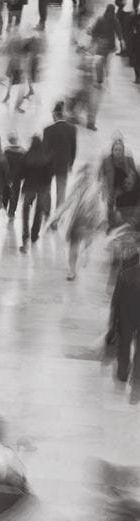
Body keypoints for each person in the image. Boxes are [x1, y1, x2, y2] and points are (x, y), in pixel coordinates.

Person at [110, 250, 140, 400]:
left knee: (124, 344)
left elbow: (116, 300)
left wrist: (113, 321)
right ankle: (137, 375)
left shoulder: (125, 274)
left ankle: (122, 372)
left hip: (126, 315)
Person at [43, 101, 77, 217]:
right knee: (61, 191)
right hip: (63, 164)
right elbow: (74, 149)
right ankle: (57, 215)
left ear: (55, 115)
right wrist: (71, 164)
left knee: (46, 188)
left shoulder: (48, 130)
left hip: (49, 165)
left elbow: (45, 150)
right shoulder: (72, 129)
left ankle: (46, 210)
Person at [19, 134, 53, 253]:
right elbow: (49, 177)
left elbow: (21, 174)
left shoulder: (26, 156)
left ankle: (25, 234)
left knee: (25, 212)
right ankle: (34, 234)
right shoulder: (46, 158)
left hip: (29, 188)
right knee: (39, 212)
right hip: (42, 189)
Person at [100, 136, 138, 230]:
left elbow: (134, 173)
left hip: (123, 186)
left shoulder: (129, 160)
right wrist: (101, 186)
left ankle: (125, 219)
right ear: (112, 150)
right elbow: (100, 175)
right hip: (111, 186)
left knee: (122, 205)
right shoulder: (106, 161)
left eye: (120, 150)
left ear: (123, 151)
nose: (118, 152)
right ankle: (111, 224)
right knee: (110, 204)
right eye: (116, 149)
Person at [4, 131, 25, 220]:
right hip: (18, 177)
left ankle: (4, 207)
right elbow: (25, 165)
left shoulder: (6, 151)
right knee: (15, 194)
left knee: (6, 192)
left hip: (7, 176)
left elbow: (3, 164)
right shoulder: (22, 151)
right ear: (16, 140)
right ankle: (11, 212)